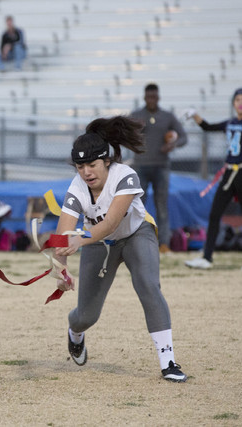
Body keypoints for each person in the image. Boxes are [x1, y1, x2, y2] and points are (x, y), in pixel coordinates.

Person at [53, 116, 187, 383]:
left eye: (92, 165)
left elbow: (113, 221)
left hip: (136, 234)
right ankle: (75, 333)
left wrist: (80, 239)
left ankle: (168, 361)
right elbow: (61, 235)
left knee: (149, 286)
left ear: (106, 161)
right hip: (99, 244)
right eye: (80, 166)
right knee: (86, 317)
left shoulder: (125, 175)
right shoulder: (76, 188)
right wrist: (60, 272)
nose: (86, 172)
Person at [183, 87, 242, 271]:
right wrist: (195, 115)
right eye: (237, 99)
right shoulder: (230, 122)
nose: (240, 103)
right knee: (214, 214)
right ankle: (207, 257)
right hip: (229, 173)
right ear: (233, 103)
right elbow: (208, 127)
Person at [130, 83, 188, 253]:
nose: (151, 100)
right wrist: (135, 130)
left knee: (162, 206)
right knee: (138, 206)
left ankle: (164, 243)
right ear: (144, 97)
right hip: (140, 166)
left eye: (154, 97)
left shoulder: (167, 116)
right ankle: (135, 242)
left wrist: (173, 145)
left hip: (161, 166)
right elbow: (124, 136)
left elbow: (184, 137)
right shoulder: (136, 116)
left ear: (158, 97)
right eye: (149, 97)